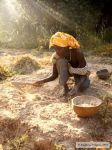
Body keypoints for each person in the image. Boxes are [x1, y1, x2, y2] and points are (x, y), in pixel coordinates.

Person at [34, 32, 90, 96]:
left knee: (83, 86)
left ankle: (77, 83)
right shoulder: (56, 57)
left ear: (67, 47)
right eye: (55, 48)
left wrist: (76, 87)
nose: (57, 51)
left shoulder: (77, 53)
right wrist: (42, 81)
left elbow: (83, 72)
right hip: (68, 73)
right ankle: (65, 87)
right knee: (61, 61)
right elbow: (54, 75)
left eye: (59, 48)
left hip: (79, 73)